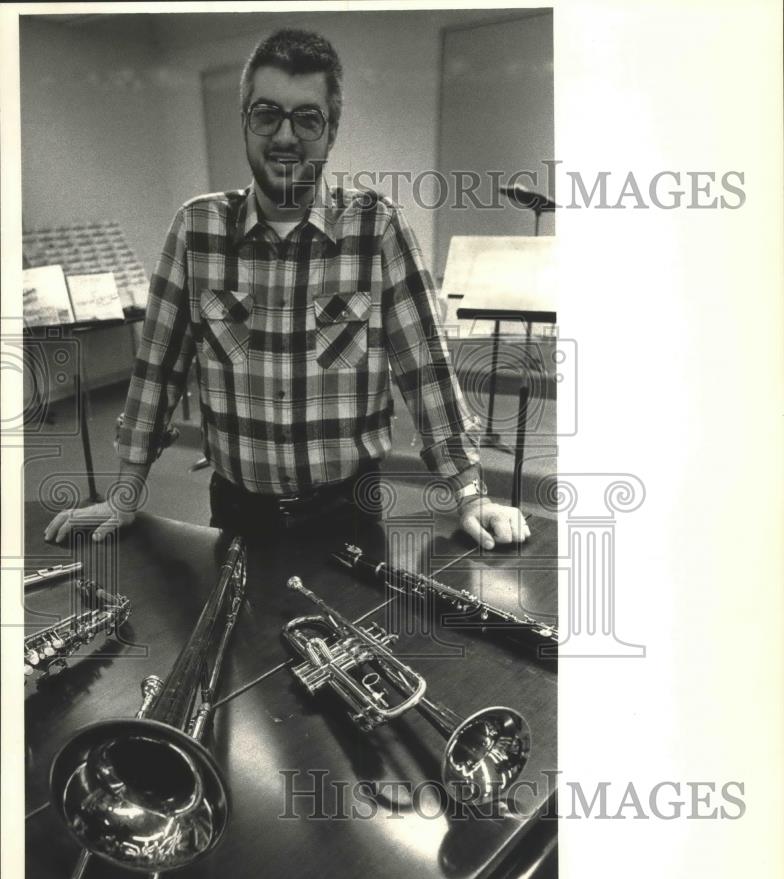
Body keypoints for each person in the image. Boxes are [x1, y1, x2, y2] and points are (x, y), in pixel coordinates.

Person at [45, 28, 529, 550]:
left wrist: (472, 494)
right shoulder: (196, 229)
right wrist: (124, 495)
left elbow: (426, 372)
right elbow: (157, 373)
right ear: (245, 121)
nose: (284, 135)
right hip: (234, 512)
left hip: (347, 514)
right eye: (267, 113)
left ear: (332, 129)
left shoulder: (377, 229)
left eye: (307, 117)